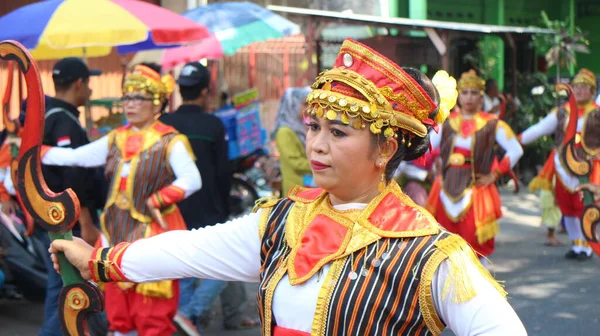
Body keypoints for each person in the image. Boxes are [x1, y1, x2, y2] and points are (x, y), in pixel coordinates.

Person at [49, 39, 526, 336]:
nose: (316, 145)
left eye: (338, 133)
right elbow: (190, 249)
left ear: (384, 150)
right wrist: (98, 260)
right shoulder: (282, 222)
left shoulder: (428, 254)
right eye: (314, 126)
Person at [40, 63, 201, 336]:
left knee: (152, 314)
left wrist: (160, 198)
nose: (131, 104)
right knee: (118, 314)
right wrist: (36, 152)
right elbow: (76, 156)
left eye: (139, 97)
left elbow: (192, 180)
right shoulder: (116, 138)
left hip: (152, 233)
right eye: (127, 96)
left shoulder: (170, 140)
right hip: (115, 233)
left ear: (156, 102)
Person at [159, 62, 256, 335]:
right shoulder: (213, 125)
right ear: (205, 91)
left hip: (171, 206)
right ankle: (190, 313)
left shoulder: (164, 124)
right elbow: (223, 172)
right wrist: (225, 207)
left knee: (183, 268)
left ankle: (186, 319)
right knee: (223, 265)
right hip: (209, 207)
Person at [426, 70, 524, 265]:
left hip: (476, 188)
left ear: (481, 96)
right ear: (458, 96)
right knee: (445, 244)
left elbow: (516, 150)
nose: (468, 97)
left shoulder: (491, 123)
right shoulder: (446, 121)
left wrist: (494, 174)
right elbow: (426, 147)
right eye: (465, 92)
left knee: (476, 243)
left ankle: (479, 290)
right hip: (446, 186)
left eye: (473, 92)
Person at [39, 58, 102, 336]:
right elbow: (72, 176)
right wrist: (86, 222)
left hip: (52, 218)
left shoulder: (47, 114)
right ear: (79, 84)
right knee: (69, 294)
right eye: (88, 84)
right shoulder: (64, 121)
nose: (90, 90)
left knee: (59, 292)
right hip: (69, 223)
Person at [519, 68, 600, 260]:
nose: (579, 90)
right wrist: (515, 139)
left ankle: (587, 246)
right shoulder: (562, 112)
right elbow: (539, 129)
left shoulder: (597, 113)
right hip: (563, 168)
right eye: (576, 87)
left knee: (586, 206)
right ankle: (576, 244)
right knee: (567, 207)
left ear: (592, 91)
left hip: (588, 168)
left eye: (584, 87)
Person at [272, 87, 313, 195]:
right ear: (293, 105)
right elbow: (296, 163)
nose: (309, 109)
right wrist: (321, 165)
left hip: (308, 186)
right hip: (296, 188)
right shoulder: (284, 131)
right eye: (305, 104)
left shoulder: (300, 127)